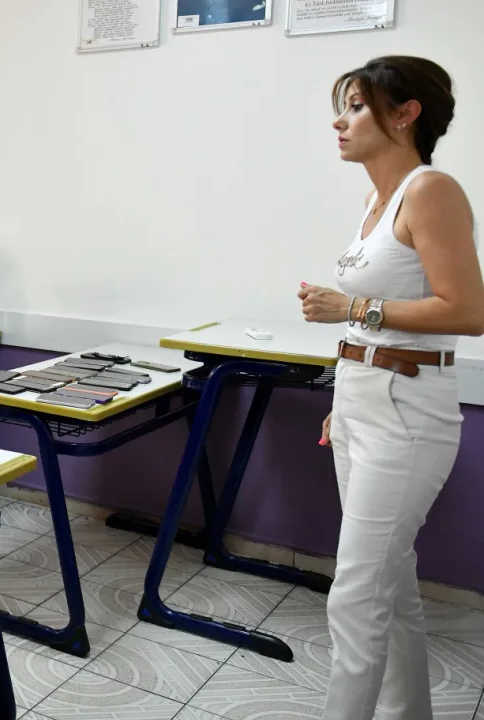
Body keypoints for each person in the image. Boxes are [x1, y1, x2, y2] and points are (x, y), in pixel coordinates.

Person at [299, 56, 484, 720]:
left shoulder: (430, 190)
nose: (340, 121)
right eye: (343, 106)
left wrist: (350, 308)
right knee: (392, 582)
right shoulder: (376, 202)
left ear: (406, 114)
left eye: (356, 106)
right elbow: (374, 325)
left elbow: (468, 310)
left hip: (407, 415)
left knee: (355, 596)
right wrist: (343, 401)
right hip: (363, 403)